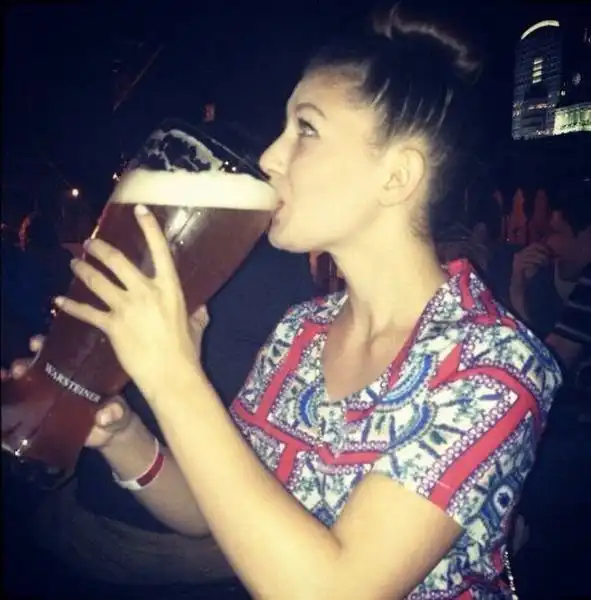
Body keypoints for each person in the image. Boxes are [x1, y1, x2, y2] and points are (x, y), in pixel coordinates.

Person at [4, 7, 561, 599]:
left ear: (397, 176)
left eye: (306, 129)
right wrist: (124, 436)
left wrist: (172, 375)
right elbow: (213, 512)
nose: (271, 157)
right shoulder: (301, 331)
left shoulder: (495, 364)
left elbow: (334, 590)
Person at [3, 235, 316, 596]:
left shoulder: (264, 263)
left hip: (142, 545)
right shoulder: (281, 279)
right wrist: (113, 427)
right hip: (104, 509)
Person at [508, 180, 591, 338]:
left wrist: (517, 296)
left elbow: (548, 349)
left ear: (587, 238)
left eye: (554, 232)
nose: (544, 241)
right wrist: (517, 284)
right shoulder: (537, 276)